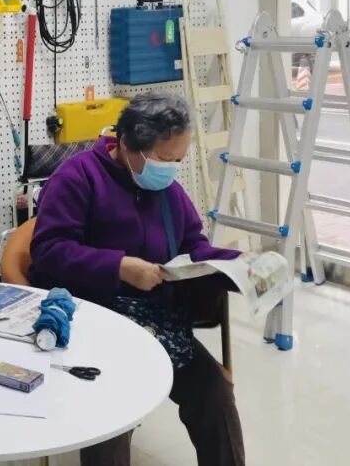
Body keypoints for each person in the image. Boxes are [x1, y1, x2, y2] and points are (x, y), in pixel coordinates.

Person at [28, 93, 245, 466]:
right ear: (128, 144)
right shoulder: (78, 178)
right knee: (112, 408)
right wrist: (119, 266)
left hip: (159, 323)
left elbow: (193, 246)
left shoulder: (167, 191)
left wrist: (238, 266)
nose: (172, 170)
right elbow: (48, 251)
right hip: (95, 321)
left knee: (214, 393)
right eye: (164, 159)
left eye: (178, 160)